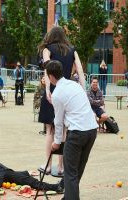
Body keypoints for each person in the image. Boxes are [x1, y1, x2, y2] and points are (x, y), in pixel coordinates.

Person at [46, 60, 98, 200]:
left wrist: (56, 141)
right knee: (77, 170)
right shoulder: (75, 85)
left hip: (77, 133)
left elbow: (58, 121)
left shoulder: (57, 93)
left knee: (70, 173)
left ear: (50, 77)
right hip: (92, 131)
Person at [37, 26, 85, 174]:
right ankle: (61, 167)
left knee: (50, 130)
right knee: (63, 130)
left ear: (50, 36)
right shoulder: (72, 50)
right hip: (67, 90)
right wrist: (83, 91)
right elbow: (80, 71)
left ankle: (48, 166)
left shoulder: (47, 49)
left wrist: (47, 90)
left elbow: (48, 69)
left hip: (52, 90)